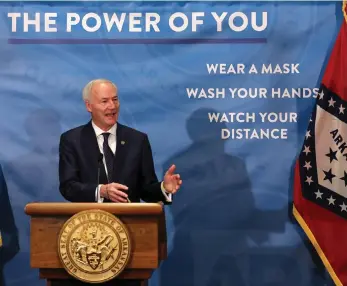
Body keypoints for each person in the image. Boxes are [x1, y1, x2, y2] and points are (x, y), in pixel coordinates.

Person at [59, 78, 182, 204]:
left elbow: (146, 190)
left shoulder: (137, 140)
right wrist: (101, 191)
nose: (112, 106)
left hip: (129, 222)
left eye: (115, 99)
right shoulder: (72, 140)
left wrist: (164, 188)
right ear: (89, 106)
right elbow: (68, 187)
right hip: (90, 221)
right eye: (104, 101)